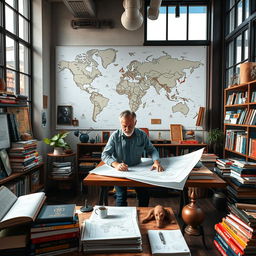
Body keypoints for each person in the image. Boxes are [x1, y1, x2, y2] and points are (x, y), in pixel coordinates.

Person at [101, 110, 164, 207]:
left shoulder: (142, 135)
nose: (126, 129)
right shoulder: (114, 136)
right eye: (124, 126)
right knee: (121, 197)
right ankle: (122, 221)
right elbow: (105, 155)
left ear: (135, 123)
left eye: (130, 126)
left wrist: (156, 162)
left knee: (144, 196)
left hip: (138, 170)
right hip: (120, 171)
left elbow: (152, 150)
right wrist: (116, 165)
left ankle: (142, 219)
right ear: (120, 123)